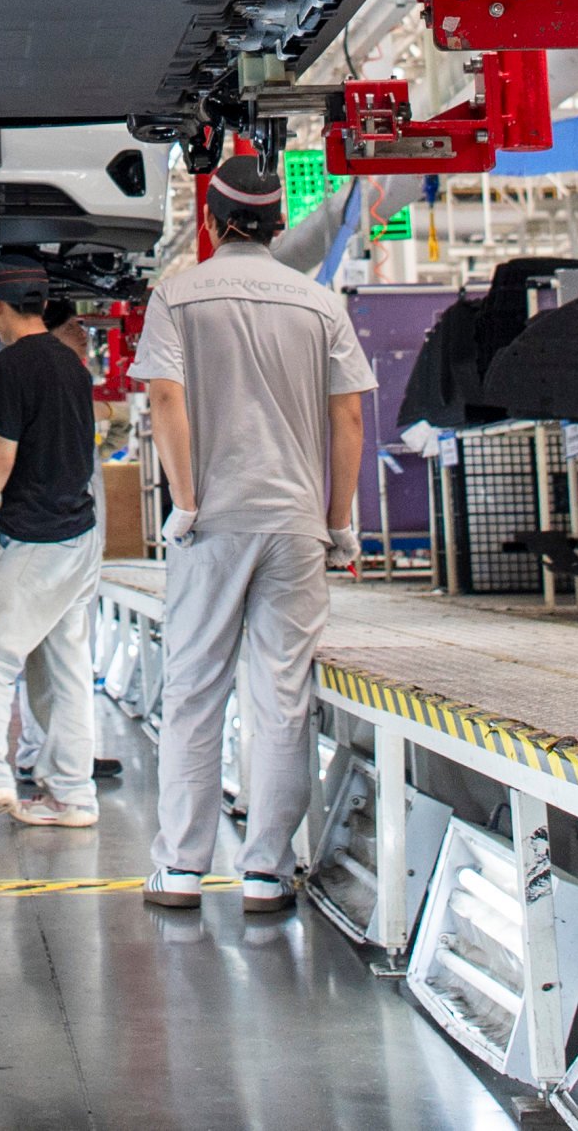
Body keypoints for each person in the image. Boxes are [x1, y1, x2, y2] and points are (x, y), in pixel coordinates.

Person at [139, 149, 372, 916]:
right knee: (282, 696)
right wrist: (338, 523)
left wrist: (185, 498)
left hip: (213, 523)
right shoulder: (321, 304)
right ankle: (267, 871)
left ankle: (179, 867)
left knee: (196, 691)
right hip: (294, 525)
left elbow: (167, 400)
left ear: (210, 220)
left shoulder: (177, 296)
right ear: (276, 225)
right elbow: (347, 416)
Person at [0, 264, 100, 830]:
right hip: (80, 533)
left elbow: (2, 456)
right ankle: (72, 794)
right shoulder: (71, 362)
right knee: (63, 665)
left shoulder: (14, 363)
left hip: (37, 534)